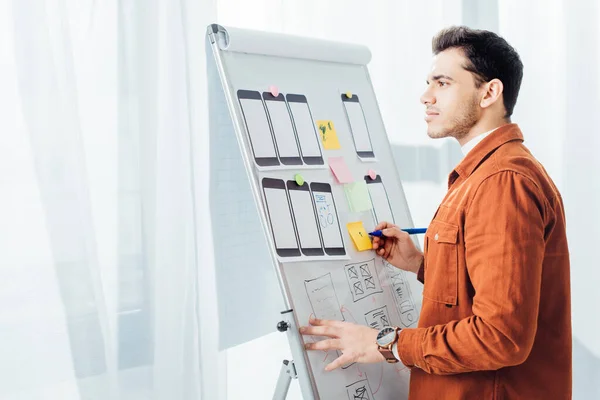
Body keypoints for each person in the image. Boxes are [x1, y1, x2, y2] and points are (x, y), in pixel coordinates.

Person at [300, 26, 571, 399]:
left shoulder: (502, 182)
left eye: (442, 83)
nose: (426, 96)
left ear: (490, 92)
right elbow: (492, 286)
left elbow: (501, 337)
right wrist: (421, 264)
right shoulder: (485, 173)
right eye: (429, 82)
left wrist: (384, 343)